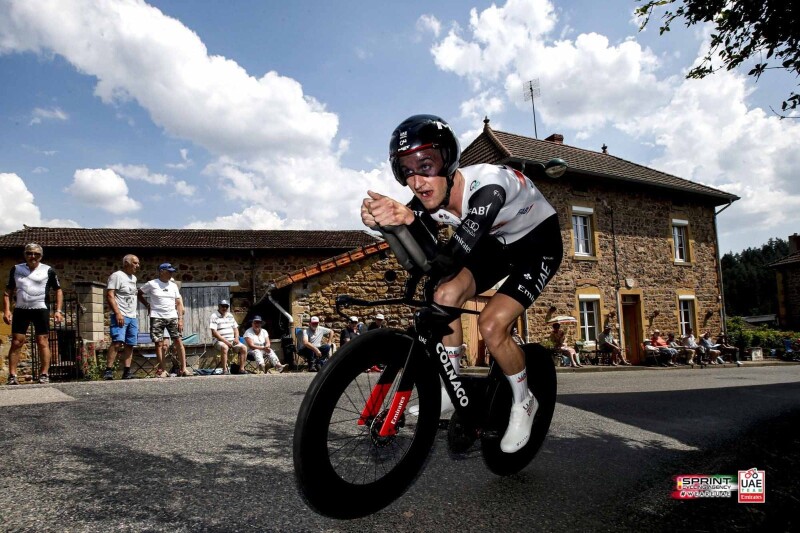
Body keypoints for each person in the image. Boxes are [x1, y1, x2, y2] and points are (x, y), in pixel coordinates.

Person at [361, 114, 563, 453]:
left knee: (492, 323)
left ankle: (524, 401)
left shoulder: (488, 189)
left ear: (448, 162)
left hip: (536, 247)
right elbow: (423, 262)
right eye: (406, 170)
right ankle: (450, 388)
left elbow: (447, 258)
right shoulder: (429, 198)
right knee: (444, 293)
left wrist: (408, 220)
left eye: (425, 165)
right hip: (496, 245)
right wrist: (384, 224)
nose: (417, 180)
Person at [3, 243, 63, 385]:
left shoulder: (48, 270)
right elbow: (7, 292)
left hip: (40, 309)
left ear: (41, 256)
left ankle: (44, 374)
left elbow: (58, 290)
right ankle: (12, 375)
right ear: (25, 254)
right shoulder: (16, 269)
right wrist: (6, 310)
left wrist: (58, 311)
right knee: (17, 342)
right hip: (21, 309)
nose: (33, 256)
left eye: (36, 254)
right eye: (29, 253)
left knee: (42, 341)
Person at [137, 263, 188, 377]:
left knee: (178, 341)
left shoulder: (173, 285)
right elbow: (139, 293)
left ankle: (184, 369)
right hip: (157, 316)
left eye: (172, 272)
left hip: (172, 316)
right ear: (161, 271)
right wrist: (147, 304)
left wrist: (180, 319)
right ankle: (163, 370)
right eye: (169, 271)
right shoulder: (152, 284)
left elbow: (179, 303)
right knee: (159, 343)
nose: (171, 274)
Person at [103, 254, 141, 380]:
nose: (137, 266)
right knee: (117, 342)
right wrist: (118, 313)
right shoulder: (117, 276)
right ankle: (108, 370)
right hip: (121, 314)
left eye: (138, 263)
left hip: (132, 315)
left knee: (130, 343)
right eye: (135, 263)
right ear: (126, 263)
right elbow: (110, 295)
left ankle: (127, 371)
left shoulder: (134, 278)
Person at [209, 299, 247, 374]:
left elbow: (235, 329)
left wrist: (236, 338)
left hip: (232, 340)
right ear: (219, 306)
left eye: (226, 306)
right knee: (225, 347)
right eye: (223, 306)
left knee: (244, 348)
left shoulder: (230, 315)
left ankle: (241, 369)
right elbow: (214, 332)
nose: (225, 308)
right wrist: (225, 341)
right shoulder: (214, 316)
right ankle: (224, 370)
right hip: (219, 341)